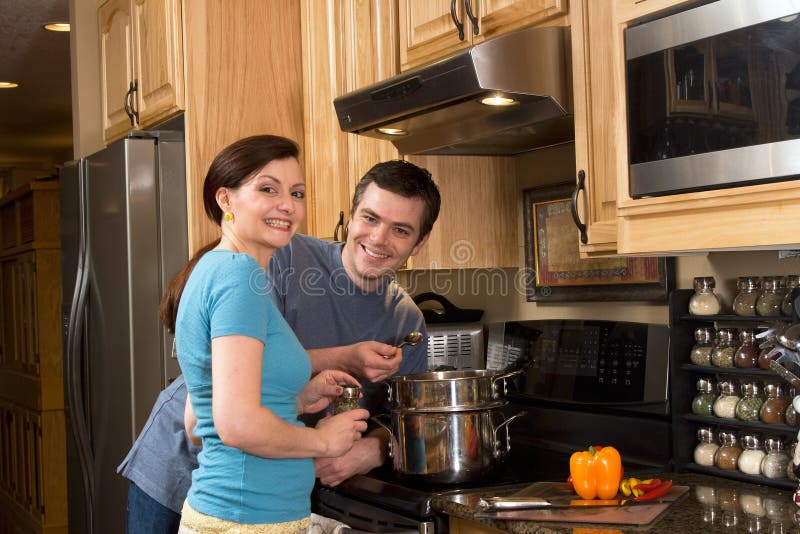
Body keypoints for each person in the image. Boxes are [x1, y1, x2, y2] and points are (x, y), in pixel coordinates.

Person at [117, 158, 441, 532]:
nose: (379, 238)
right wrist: (344, 362)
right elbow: (236, 373)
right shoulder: (280, 257)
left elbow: (406, 419)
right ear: (350, 217)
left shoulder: (407, 323)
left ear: (420, 242)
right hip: (183, 466)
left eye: (400, 230)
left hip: (272, 490)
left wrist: (373, 449)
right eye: (370, 218)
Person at [164, 134, 370, 531]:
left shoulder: (215, 269)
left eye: (297, 193)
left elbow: (197, 422)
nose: (287, 205)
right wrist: (324, 442)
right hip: (248, 519)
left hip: (231, 515)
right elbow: (236, 424)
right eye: (267, 189)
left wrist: (291, 401)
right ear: (226, 200)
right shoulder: (238, 277)